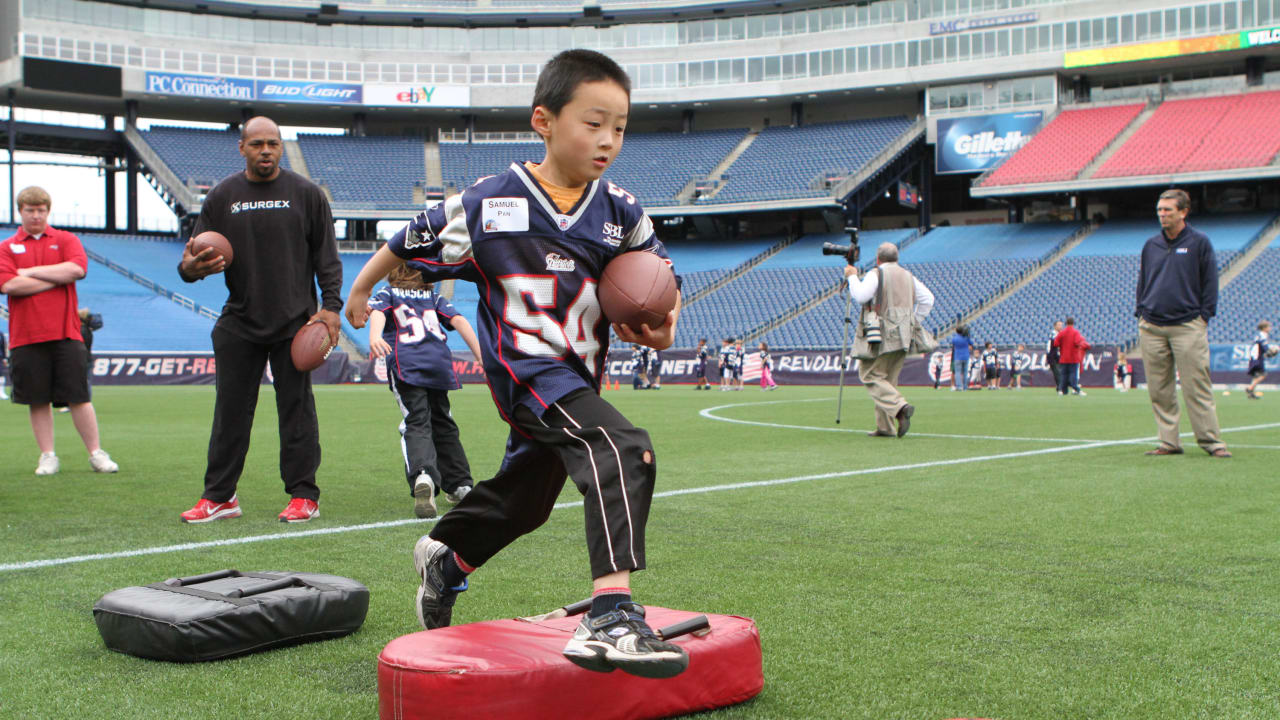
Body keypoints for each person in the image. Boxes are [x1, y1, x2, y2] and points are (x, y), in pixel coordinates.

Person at [344, 49, 689, 679]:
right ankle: (611, 613)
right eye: (593, 122)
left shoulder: (620, 211)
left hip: (575, 378)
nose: (608, 139)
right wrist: (362, 291)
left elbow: (662, 278)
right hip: (527, 373)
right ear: (544, 121)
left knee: (527, 501)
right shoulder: (487, 203)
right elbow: (408, 239)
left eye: (620, 126)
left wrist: (665, 323)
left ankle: (447, 557)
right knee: (622, 446)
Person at [176, 116, 343, 523]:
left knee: (297, 411)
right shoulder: (221, 196)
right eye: (257, 144)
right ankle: (220, 497)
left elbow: (327, 257)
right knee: (230, 411)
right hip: (241, 320)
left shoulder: (306, 194)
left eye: (273, 143)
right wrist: (195, 268)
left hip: (294, 322)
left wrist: (332, 307)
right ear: (242, 148)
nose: (265, 151)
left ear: (281, 147)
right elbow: (188, 265)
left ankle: (305, 495)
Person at [0, 186, 118, 475]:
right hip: (25, 335)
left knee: (79, 396)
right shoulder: (6, 247)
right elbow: (9, 285)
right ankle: (48, 455)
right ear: (21, 212)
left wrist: (27, 272)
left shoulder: (65, 239)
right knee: (37, 400)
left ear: (47, 211)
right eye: (30, 210)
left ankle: (96, 453)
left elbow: (77, 270)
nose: (36, 215)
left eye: (41, 210)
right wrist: (56, 277)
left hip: (67, 333)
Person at [367, 265, 484, 518]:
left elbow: (377, 311)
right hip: (438, 363)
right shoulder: (434, 297)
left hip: (408, 364)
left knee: (416, 420)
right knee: (443, 421)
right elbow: (459, 320)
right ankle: (461, 484)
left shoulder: (388, 293)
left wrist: (375, 335)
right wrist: (479, 354)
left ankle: (423, 475)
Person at [1136, 189, 1229, 457]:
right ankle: (1169, 441)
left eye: (1168, 210)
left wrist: (1204, 316)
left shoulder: (1200, 243)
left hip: (1188, 325)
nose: (1162, 215)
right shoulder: (1150, 245)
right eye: (1159, 210)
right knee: (1159, 389)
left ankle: (1211, 442)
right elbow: (1143, 282)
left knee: (1196, 385)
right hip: (1151, 325)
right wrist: (1140, 311)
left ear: (1183, 212)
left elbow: (1210, 282)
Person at [845, 242, 934, 438]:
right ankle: (885, 427)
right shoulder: (908, 276)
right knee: (889, 380)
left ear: (878, 259)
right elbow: (928, 299)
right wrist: (912, 322)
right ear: (897, 258)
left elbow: (861, 296)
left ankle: (900, 408)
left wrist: (852, 277)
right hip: (904, 334)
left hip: (881, 331)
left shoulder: (876, 273)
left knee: (869, 374)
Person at [55, 307, 102, 413]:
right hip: (86, 359)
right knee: (85, 383)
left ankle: (78, 404)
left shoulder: (80, 331)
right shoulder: (87, 330)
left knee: (77, 383)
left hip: (79, 360)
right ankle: (82, 404)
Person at [1052, 317, 1090, 396]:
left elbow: (1055, 343)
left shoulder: (1062, 333)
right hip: (1073, 358)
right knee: (1073, 374)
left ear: (1066, 323)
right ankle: (1076, 389)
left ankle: (1063, 391)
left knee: (1064, 375)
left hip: (1063, 358)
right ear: (1073, 323)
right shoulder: (1075, 332)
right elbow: (1077, 342)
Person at [1245, 321, 1273, 400]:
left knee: (1256, 375)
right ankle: (1250, 388)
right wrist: (1270, 351)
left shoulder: (1259, 334)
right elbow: (1264, 346)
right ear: (1264, 328)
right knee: (1263, 374)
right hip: (1257, 357)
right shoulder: (1263, 335)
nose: (1270, 328)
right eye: (1268, 327)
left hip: (1255, 356)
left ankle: (1251, 393)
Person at [949, 325, 972, 391]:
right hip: (965, 356)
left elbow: (953, 344)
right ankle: (965, 386)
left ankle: (959, 386)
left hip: (957, 356)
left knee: (957, 372)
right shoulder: (966, 338)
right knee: (965, 372)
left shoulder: (955, 338)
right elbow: (971, 344)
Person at [1046, 320, 1063, 391]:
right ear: (1055, 326)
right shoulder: (1054, 334)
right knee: (1057, 372)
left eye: (1061, 325)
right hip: (1053, 356)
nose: (1060, 326)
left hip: (1058, 356)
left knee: (1058, 372)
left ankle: (1059, 386)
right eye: (1058, 325)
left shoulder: (1059, 333)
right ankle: (1060, 387)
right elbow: (1052, 347)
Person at [0, 330, 8, 400]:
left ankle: (1, 392)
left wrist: (5, 358)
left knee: (1, 375)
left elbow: (3, 346)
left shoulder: (1, 333)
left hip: (0, 358)